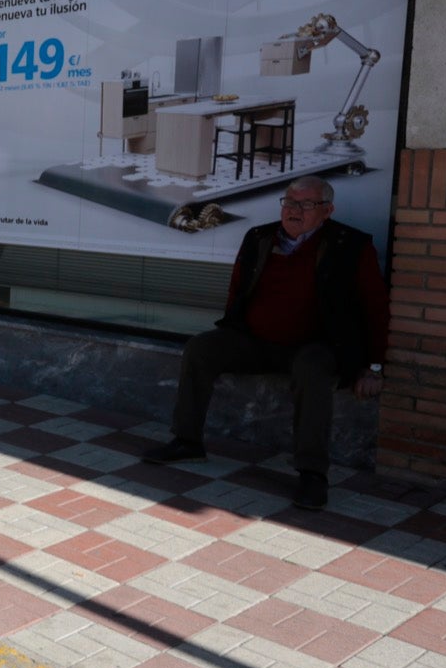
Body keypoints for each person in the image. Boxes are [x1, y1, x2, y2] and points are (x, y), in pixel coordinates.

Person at [142, 175, 389, 510]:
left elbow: (375, 307)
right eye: (289, 202)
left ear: (327, 210)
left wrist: (373, 366)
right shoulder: (259, 237)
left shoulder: (351, 245)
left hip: (316, 346)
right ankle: (186, 441)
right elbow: (237, 289)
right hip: (257, 341)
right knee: (202, 348)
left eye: (305, 204)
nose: (293, 210)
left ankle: (312, 474)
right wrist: (233, 327)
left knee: (312, 369)